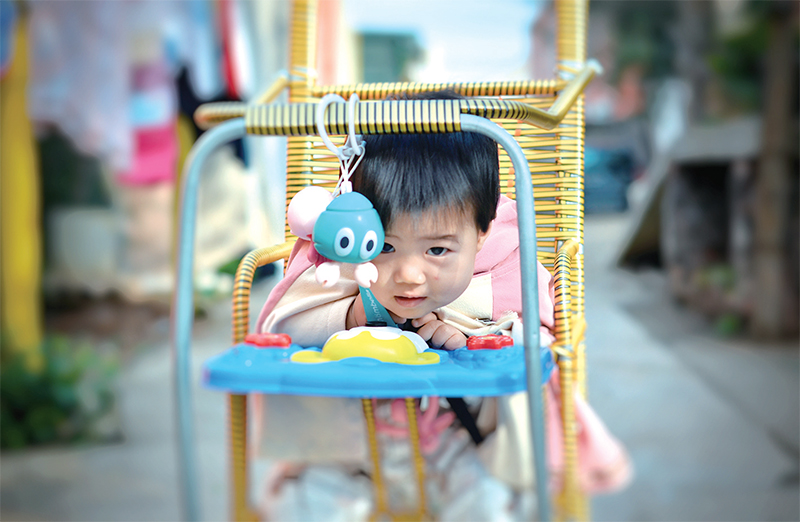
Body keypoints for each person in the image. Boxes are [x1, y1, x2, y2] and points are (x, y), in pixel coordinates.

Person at [253, 91, 630, 521]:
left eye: (437, 250)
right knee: (301, 504)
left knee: (490, 503)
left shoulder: (508, 265)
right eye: (385, 246)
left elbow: (532, 355)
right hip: (352, 448)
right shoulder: (338, 255)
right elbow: (284, 326)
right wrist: (353, 315)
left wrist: (467, 340)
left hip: (457, 447)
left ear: (483, 232)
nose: (409, 275)